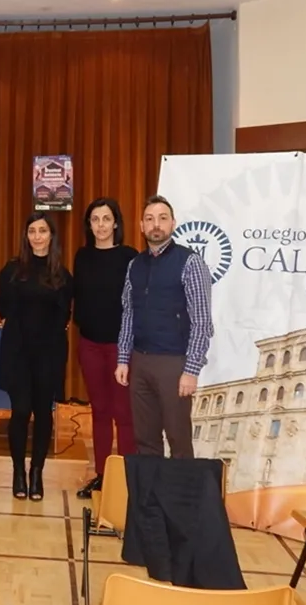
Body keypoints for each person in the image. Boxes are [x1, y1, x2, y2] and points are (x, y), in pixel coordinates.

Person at [115, 195, 214, 459]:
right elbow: (128, 315)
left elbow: (202, 322)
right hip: (140, 362)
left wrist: (191, 370)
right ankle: (150, 499)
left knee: (178, 438)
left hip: (175, 364)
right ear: (141, 226)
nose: (155, 224)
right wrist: (123, 359)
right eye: (149, 219)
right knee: (145, 439)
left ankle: (181, 501)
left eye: (162, 218)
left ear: (173, 224)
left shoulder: (190, 263)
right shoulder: (134, 265)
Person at [0, 212, 73, 501]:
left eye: (42, 230)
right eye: (32, 231)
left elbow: (65, 316)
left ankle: (37, 472)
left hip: (49, 355)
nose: (37, 236)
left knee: (43, 414)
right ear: (26, 236)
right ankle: (18, 471)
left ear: (51, 236)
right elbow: (4, 309)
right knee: (20, 412)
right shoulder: (12, 270)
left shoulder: (62, 275)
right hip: (17, 353)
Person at [73, 198, 138, 499]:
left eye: (106, 218)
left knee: (123, 413)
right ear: (89, 225)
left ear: (116, 223)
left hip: (120, 348)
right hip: (89, 344)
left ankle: (127, 477)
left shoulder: (130, 257)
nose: (100, 225)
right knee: (98, 412)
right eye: (94, 219)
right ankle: (101, 475)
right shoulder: (82, 256)